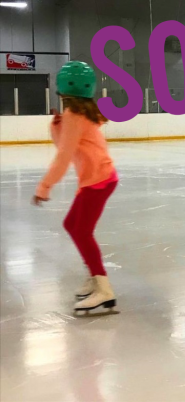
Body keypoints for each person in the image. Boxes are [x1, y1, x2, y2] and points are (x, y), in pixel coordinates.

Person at [32, 61, 119, 315]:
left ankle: (104, 289)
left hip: (98, 180)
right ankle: (94, 276)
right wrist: (57, 127)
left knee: (81, 231)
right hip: (99, 178)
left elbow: (63, 156)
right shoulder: (85, 113)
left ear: (61, 90)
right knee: (72, 225)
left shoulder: (73, 116)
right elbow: (68, 148)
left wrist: (44, 186)